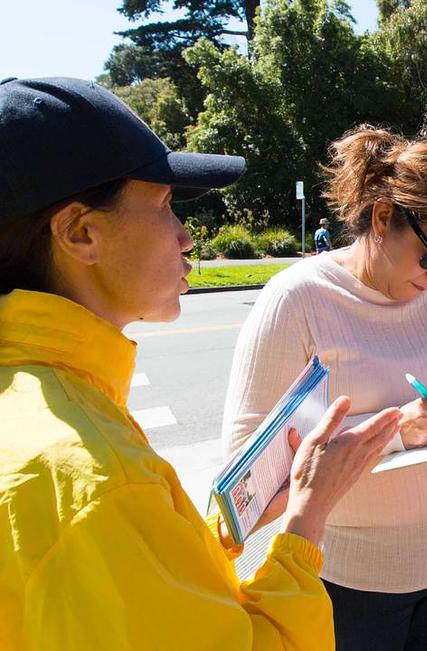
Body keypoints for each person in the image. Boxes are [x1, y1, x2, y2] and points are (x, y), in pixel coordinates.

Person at [0, 77, 403, 650]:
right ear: (80, 232)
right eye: (165, 206)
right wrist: (306, 519)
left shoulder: (40, 402)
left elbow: (130, 586)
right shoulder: (100, 477)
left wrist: (228, 527)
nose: (186, 238)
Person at [221, 125, 427, 651]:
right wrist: (395, 430)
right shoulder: (297, 299)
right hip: (351, 582)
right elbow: (244, 473)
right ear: (384, 218)